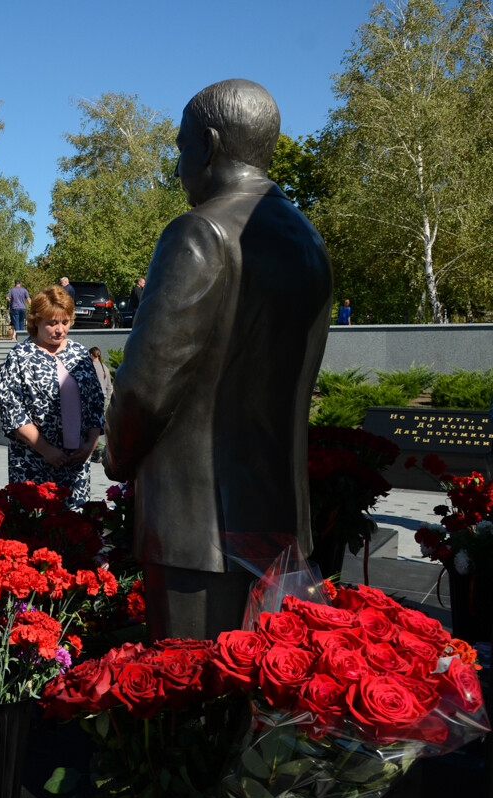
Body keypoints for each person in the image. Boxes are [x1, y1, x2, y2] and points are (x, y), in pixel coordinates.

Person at [103, 79, 332, 641]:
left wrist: (116, 455)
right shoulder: (307, 239)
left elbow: (146, 387)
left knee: (192, 700)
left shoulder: (199, 232)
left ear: (207, 144)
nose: (179, 167)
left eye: (182, 149)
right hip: (281, 523)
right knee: (260, 699)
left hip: (197, 530)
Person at [0, 287, 104, 505]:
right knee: (36, 529)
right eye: (52, 323)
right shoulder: (19, 356)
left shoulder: (81, 354)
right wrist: (46, 450)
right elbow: (12, 411)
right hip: (33, 463)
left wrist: (90, 445)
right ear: (36, 321)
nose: (60, 329)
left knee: (74, 530)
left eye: (65, 322)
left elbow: (96, 403)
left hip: (76, 464)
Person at [89, 347, 113, 462]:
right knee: (99, 428)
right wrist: (107, 399)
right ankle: (100, 451)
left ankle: (102, 448)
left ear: (91, 355)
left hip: (94, 402)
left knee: (90, 428)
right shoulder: (105, 368)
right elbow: (109, 387)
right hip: (105, 401)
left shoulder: (90, 368)